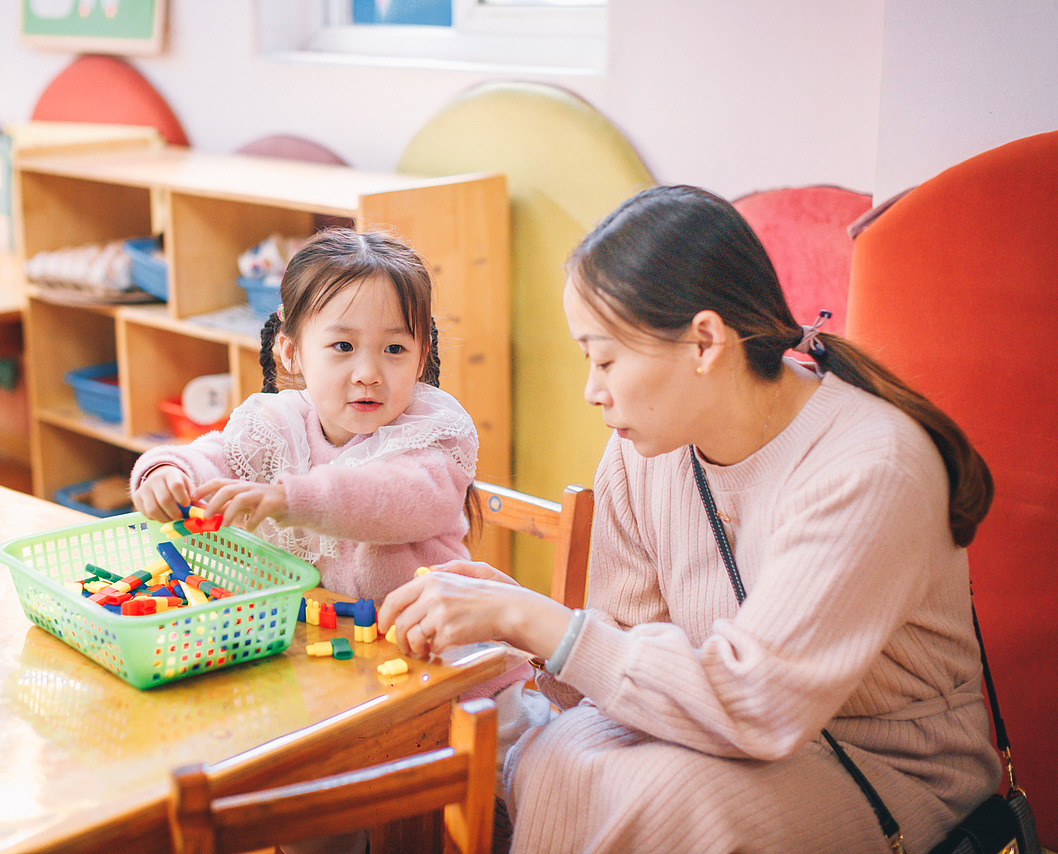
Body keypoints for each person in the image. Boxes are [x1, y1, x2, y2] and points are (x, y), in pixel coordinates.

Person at [378, 185, 1001, 854]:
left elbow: (756, 702)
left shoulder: (870, 467)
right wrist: (508, 617)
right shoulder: (641, 449)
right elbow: (620, 647)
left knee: (675, 804)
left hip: (886, 764)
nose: (592, 389)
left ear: (705, 341)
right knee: (562, 753)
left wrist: (530, 618)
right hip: (744, 735)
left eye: (606, 358)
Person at [130, 227, 480, 604]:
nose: (368, 373)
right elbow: (217, 457)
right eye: (343, 346)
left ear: (422, 355)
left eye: (395, 348)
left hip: (427, 637)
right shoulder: (278, 424)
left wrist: (292, 499)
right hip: (314, 640)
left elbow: (395, 498)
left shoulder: (433, 434)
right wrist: (168, 473)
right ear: (291, 352)